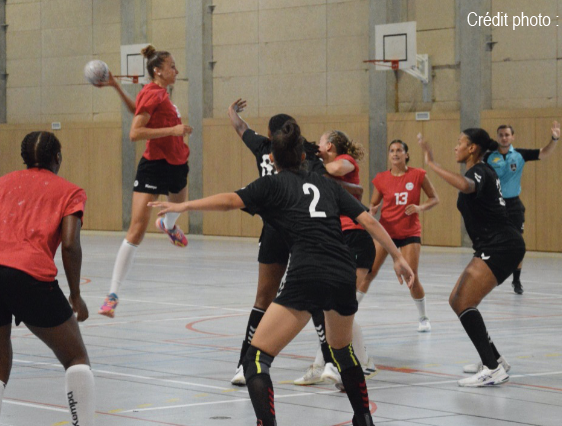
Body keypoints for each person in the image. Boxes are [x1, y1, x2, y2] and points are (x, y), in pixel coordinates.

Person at [149, 120, 414, 426]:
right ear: (304, 157)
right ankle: (363, 418)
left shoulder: (271, 185)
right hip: (343, 271)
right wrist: (397, 257)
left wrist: (183, 206)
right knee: (342, 351)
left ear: (271, 160)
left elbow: (229, 201)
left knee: (256, 359)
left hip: (308, 273)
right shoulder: (325, 183)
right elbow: (368, 220)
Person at [226, 99, 359, 386]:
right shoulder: (304, 151)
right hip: (305, 229)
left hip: (278, 229)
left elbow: (240, 128)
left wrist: (231, 111)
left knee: (264, 299)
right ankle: (332, 364)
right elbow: (342, 167)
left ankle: (243, 364)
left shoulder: (263, 146)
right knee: (315, 298)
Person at [0, 132, 95, 426]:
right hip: (30, 276)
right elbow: (70, 244)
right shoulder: (70, 192)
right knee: (76, 359)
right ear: (58, 158)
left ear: (24, 158)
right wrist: (75, 295)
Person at [418, 130, 525, 387]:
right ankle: (495, 359)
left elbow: (467, 186)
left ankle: (492, 368)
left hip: (501, 244)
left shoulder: (478, 170)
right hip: (494, 244)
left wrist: (433, 165)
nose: (456, 147)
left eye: (460, 143)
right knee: (457, 300)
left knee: (464, 300)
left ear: (473, 148)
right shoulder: (482, 170)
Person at [98, 45, 193, 318]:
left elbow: (138, 110)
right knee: (136, 230)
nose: (176, 70)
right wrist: (173, 130)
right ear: (158, 71)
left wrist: (116, 86)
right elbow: (135, 132)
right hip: (154, 166)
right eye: (172, 66)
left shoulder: (157, 93)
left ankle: (166, 224)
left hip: (177, 162)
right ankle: (112, 295)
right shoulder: (154, 91)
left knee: (178, 207)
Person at [293, 130, 377, 388]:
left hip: (356, 240)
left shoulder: (346, 161)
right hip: (337, 240)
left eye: (320, 142)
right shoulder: (319, 171)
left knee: (339, 308)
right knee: (336, 308)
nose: (317, 145)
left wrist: (315, 162)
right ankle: (355, 362)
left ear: (329, 145)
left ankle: (332, 364)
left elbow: (337, 169)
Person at [360, 139, 440, 332]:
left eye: (399, 150)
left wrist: (420, 207)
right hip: (386, 233)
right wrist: (373, 209)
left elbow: (434, 198)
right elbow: (373, 205)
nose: (395, 154)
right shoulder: (381, 179)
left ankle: (423, 317)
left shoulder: (418, 175)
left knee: (410, 276)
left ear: (406, 154)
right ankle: (351, 310)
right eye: (392, 151)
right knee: (369, 272)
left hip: (409, 233)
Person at [484, 122, 561, 294]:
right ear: (497, 137)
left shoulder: (519, 155)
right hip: (494, 206)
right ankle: (486, 280)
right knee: (490, 244)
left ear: (512, 137)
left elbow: (544, 153)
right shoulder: (488, 157)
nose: (504, 137)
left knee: (518, 243)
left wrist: (554, 139)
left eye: (507, 135)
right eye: (501, 135)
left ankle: (516, 281)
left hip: (513, 205)